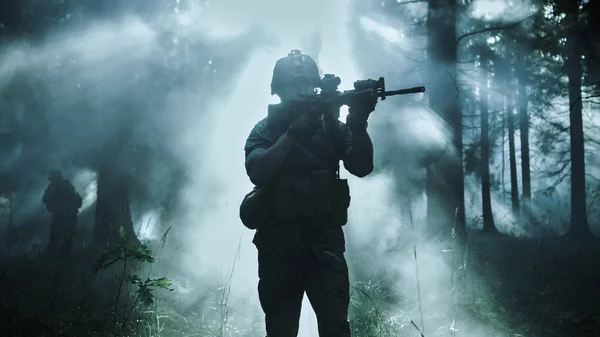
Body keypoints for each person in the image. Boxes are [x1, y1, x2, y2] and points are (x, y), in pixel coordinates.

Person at [243, 50, 377, 337]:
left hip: (324, 247)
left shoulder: (330, 128)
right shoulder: (265, 130)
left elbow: (362, 166)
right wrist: (292, 134)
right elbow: (258, 171)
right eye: (293, 86)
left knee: (335, 328)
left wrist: (358, 122)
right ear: (278, 91)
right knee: (280, 330)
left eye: (307, 86)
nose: (301, 92)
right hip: (278, 247)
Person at [42, 169, 82, 257]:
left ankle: (64, 258)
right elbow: (45, 198)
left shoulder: (65, 185)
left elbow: (73, 197)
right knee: (56, 237)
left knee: (67, 238)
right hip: (59, 215)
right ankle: (55, 257)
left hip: (68, 215)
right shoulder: (52, 187)